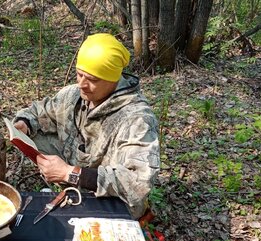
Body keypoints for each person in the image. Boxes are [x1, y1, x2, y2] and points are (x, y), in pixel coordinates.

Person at [13, 33, 160, 219]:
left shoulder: (136, 119)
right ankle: (70, 193)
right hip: (78, 173)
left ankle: (84, 206)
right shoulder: (74, 95)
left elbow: (138, 182)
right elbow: (41, 111)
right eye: (79, 74)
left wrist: (70, 173)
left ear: (114, 79)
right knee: (33, 135)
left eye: (92, 79)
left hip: (111, 199)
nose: (82, 84)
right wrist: (24, 123)